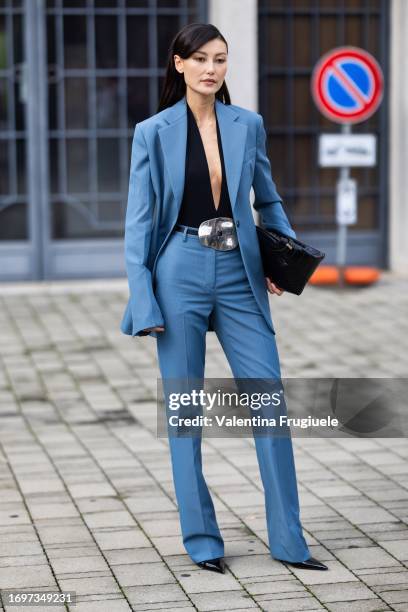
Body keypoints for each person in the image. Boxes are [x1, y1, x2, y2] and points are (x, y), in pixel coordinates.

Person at [120, 23, 328, 575]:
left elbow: (268, 199)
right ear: (180, 64)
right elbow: (138, 225)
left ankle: (289, 541)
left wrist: (284, 260)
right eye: (202, 59)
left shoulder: (247, 125)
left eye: (221, 59)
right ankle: (203, 541)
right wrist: (144, 300)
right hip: (178, 270)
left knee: (269, 404)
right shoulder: (153, 132)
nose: (212, 69)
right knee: (185, 412)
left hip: (239, 269)